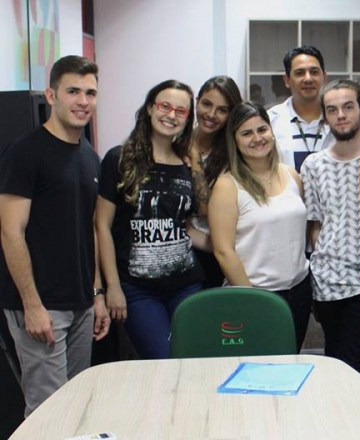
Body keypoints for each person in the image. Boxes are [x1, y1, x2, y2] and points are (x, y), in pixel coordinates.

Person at [0, 55, 110, 417]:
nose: (83, 101)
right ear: (51, 95)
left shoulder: (89, 156)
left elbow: (90, 230)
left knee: (76, 405)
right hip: (41, 305)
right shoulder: (25, 152)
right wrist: (31, 306)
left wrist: (96, 294)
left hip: (80, 302)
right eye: (73, 91)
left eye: (90, 93)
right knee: (47, 411)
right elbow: (10, 232)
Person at [96, 80, 206, 360]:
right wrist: (112, 288)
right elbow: (102, 227)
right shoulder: (119, 159)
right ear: (149, 108)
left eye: (180, 111)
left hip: (186, 285)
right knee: (165, 359)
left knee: (193, 358)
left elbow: (187, 227)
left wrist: (230, 247)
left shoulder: (186, 164)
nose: (171, 115)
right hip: (137, 290)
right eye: (165, 106)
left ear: (187, 119)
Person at [209, 102, 312, 351]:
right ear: (235, 141)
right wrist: (252, 301)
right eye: (247, 133)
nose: (257, 138)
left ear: (271, 132)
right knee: (257, 367)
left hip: (299, 290)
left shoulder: (291, 175)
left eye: (262, 129)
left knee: (291, 361)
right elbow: (223, 251)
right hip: (256, 294)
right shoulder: (227, 185)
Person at [301, 80, 360, 372]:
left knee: (352, 363)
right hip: (327, 281)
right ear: (325, 117)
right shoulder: (313, 165)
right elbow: (315, 225)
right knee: (334, 359)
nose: (340, 115)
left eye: (348, 107)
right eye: (332, 110)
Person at [186, 76, 243, 288]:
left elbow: (206, 209)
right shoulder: (176, 142)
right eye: (206, 104)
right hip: (180, 249)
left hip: (219, 250)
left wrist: (195, 159)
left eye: (222, 110)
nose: (211, 114)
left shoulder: (234, 154)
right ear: (196, 101)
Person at [268, 46, 334, 172]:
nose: (308, 79)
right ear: (287, 80)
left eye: (314, 72)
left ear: (324, 77)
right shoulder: (271, 121)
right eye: (299, 73)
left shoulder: (339, 118)